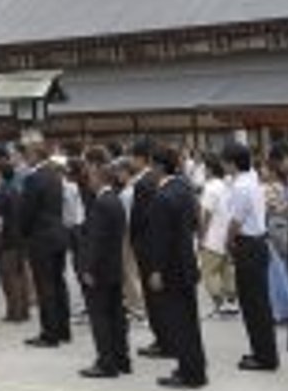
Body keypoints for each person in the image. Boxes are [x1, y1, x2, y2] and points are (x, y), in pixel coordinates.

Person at [146, 146, 207, 388]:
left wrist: (156, 270)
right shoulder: (184, 188)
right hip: (186, 262)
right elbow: (195, 222)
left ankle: (189, 375)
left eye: (152, 165)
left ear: (159, 167)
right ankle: (193, 368)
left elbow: (161, 239)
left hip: (171, 267)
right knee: (189, 322)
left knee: (179, 323)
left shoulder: (163, 196)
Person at [222, 142, 279, 372]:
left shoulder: (241, 187)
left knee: (254, 305)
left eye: (225, 160)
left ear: (232, 162)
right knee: (257, 304)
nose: (223, 164)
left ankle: (264, 357)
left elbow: (236, 221)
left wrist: (227, 241)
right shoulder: (251, 179)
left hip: (248, 245)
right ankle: (263, 352)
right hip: (257, 243)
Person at [78, 149, 130, 378]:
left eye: (90, 177)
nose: (88, 181)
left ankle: (106, 363)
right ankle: (121, 359)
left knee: (100, 318)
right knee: (116, 315)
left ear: (99, 178)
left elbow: (96, 240)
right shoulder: (115, 200)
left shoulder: (101, 203)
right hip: (114, 268)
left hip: (99, 270)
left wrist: (88, 268)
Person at [19, 144, 71, 347]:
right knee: (58, 283)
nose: (25, 159)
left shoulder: (34, 178)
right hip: (57, 234)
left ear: (34, 155)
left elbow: (27, 210)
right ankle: (63, 329)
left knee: (45, 286)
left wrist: (24, 233)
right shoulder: (55, 175)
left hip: (41, 237)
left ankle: (49, 333)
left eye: (27, 155)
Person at [129, 137, 172, 358]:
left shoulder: (143, 183)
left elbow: (138, 220)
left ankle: (162, 341)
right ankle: (167, 338)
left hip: (147, 245)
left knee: (154, 296)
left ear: (142, 158)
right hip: (162, 245)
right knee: (163, 296)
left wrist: (133, 241)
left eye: (133, 157)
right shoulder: (162, 179)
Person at [198, 153, 237, 318]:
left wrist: (201, 235)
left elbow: (206, 214)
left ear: (210, 169)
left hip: (213, 237)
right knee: (226, 270)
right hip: (226, 235)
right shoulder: (226, 185)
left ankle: (220, 304)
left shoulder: (210, 188)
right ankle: (231, 303)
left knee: (209, 273)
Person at [0, 148, 30, 323]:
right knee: (20, 274)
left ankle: (13, 312)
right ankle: (24, 310)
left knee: (9, 277)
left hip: (7, 239)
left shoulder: (1, 192)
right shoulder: (17, 190)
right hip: (21, 237)